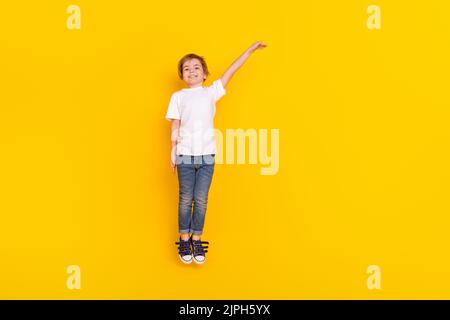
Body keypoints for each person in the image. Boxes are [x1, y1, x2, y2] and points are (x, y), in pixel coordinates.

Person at [165, 41, 268, 264]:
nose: (191, 71)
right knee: (185, 199)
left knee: (201, 200)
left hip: (206, 156)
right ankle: (184, 239)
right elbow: (175, 124)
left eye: (196, 67)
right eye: (186, 68)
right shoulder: (178, 97)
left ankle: (197, 238)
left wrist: (248, 51)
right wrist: (172, 151)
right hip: (184, 155)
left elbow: (231, 70)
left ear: (204, 74)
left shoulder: (211, 92)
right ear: (182, 75)